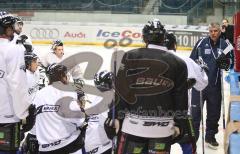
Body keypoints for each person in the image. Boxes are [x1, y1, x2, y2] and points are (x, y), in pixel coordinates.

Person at [104, 19, 189, 154]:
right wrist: (180, 124)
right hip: (163, 130)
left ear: (144, 38)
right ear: (164, 37)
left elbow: (121, 92)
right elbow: (181, 99)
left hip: (133, 128)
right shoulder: (179, 63)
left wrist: (114, 117)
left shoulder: (130, 56)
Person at [190, 22, 231, 150]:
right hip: (199, 86)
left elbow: (230, 64)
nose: (213, 33)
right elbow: (191, 60)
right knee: (195, 114)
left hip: (215, 86)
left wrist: (224, 63)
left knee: (214, 114)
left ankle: (210, 137)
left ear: (220, 31)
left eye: (216, 31)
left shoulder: (225, 45)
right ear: (209, 32)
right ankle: (193, 138)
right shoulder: (201, 43)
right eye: (211, 31)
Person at [165, 33, 208, 154]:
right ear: (175, 45)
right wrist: (202, 70)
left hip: (156, 115)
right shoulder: (186, 61)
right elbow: (202, 84)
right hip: (181, 114)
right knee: (189, 147)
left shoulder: (151, 61)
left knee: (160, 148)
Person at [33, 63, 87, 154]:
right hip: (68, 146)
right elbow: (79, 119)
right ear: (63, 75)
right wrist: (82, 112)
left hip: (44, 149)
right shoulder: (67, 91)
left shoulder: (39, 94)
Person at [0, 11, 31, 153]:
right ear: (6, 28)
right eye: (12, 27)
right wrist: (24, 113)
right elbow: (17, 84)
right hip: (7, 115)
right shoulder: (13, 49)